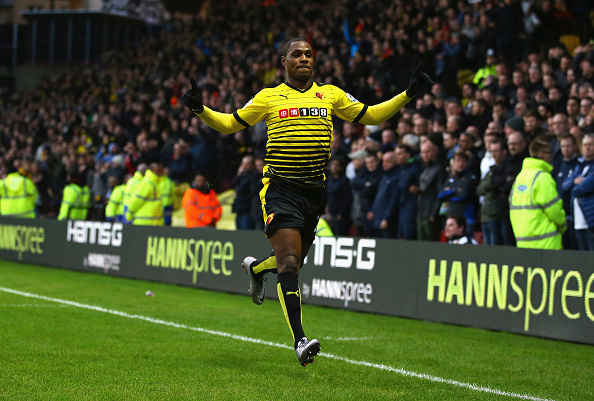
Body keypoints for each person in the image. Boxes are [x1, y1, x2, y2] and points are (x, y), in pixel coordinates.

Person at [181, 38, 433, 366]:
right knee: (288, 263)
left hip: (314, 191)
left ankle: (256, 269)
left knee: (293, 262)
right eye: (297, 54)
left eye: (309, 54)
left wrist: (408, 94)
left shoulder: (331, 93)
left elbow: (371, 115)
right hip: (280, 188)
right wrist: (201, 110)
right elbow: (230, 124)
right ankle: (300, 340)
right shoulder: (268, 97)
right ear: (283, 62)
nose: (304, 58)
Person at [509, 138, 566, 249]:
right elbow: (554, 209)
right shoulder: (542, 177)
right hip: (546, 242)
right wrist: (562, 225)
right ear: (541, 155)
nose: (551, 156)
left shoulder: (521, 176)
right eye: (549, 152)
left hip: (523, 241)